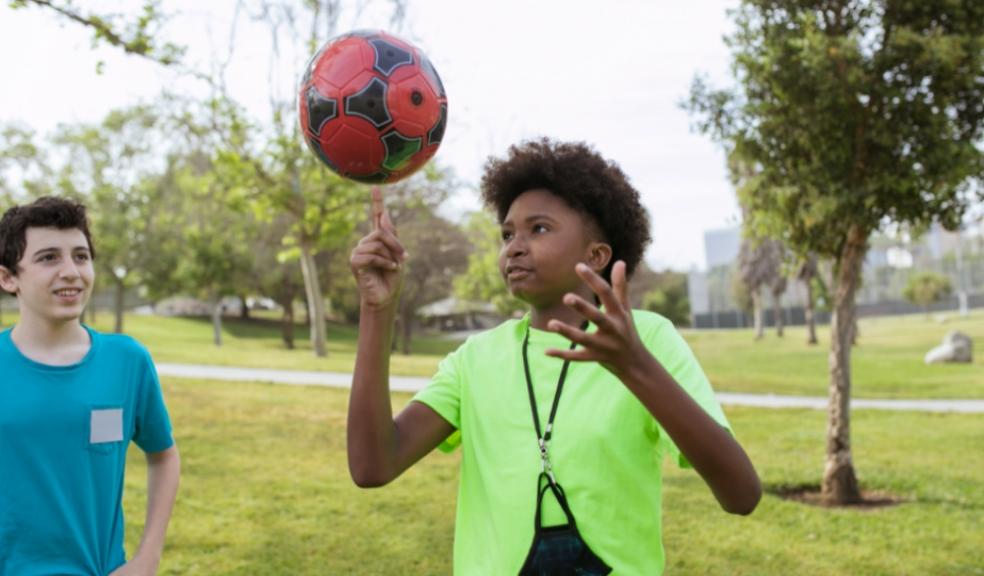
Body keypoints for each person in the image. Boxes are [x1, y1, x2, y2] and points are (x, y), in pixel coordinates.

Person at [347, 138, 760, 575]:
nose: (514, 247)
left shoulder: (648, 340)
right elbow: (373, 465)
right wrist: (377, 310)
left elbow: (741, 494)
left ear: (596, 255)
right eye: (507, 234)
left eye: (538, 229)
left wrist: (633, 366)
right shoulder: (476, 359)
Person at [0, 197, 180, 575]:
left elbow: (163, 456)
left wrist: (147, 560)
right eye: (49, 258)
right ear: (8, 277)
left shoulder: (127, 361)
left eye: (80, 256)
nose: (71, 271)